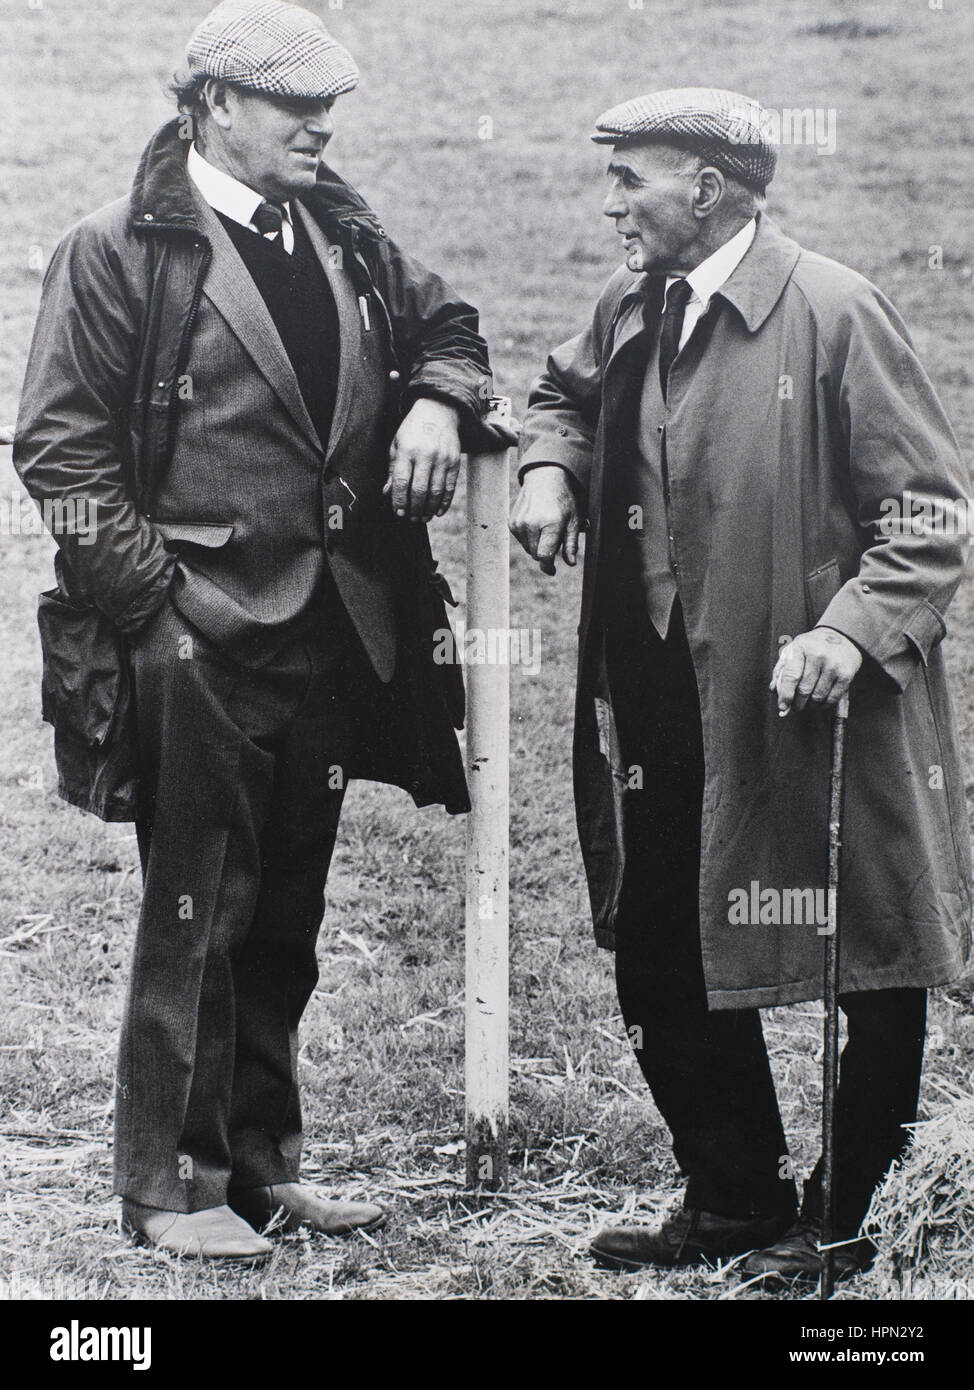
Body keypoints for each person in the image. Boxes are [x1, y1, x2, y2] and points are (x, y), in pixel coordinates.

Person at [15, 0, 507, 1261]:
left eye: (329, 103)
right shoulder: (118, 248)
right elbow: (60, 456)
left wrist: (437, 408)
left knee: (283, 913)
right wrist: (159, 611)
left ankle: (257, 1166)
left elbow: (452, 328)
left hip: (336, 633)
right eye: (297, 105)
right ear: (215, 107)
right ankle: (171, 1189)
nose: (323, 124)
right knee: (196, 912)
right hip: (194, 636)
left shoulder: (338, 228)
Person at [510, 87, 972, 1284]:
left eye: (631, 179)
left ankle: (845, 1221)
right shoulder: (632, 303)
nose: (610, 203)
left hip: (816, 694)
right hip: (665, 687)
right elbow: (561, 389)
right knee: (659, 938)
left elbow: (924, 518)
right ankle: (731, 1198)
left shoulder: (831, 310)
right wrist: (552, 469)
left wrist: (848, 630)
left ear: (706, 186)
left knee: (857, 954)